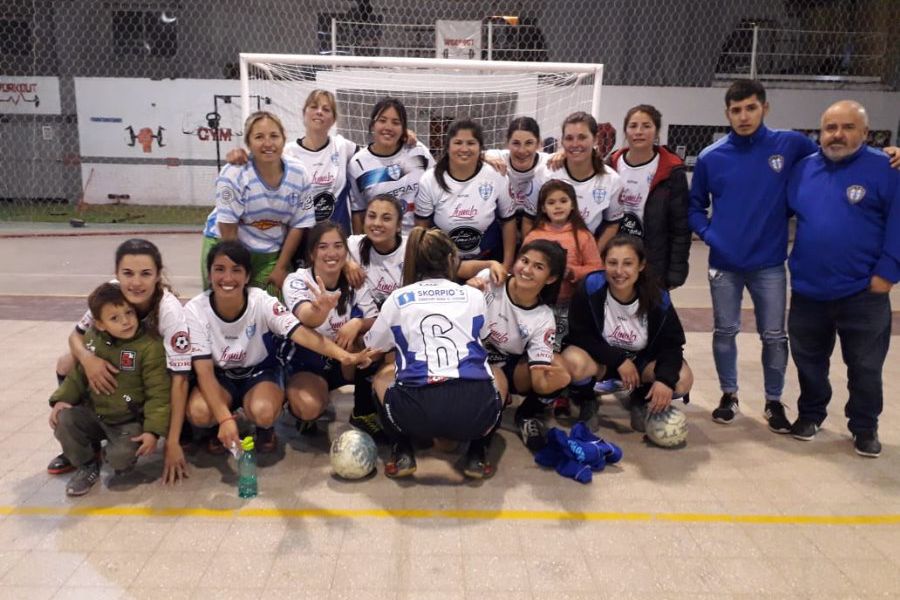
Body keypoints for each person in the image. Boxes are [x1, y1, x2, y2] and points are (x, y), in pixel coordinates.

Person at [687, 79, 816, 432]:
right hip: (724, 266)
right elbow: (695, 207)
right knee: (725, 331)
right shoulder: (712, 157)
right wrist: (712, 235)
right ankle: (729, 396)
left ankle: (774, 402)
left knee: (774, 335)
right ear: (727, 113)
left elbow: (836, 157)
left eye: (750, 108)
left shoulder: (790, 145)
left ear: (764, 108)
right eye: (736, 110)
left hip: (770, 264)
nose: (743, 116)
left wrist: (886, 155)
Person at [786, 100, 899, 458]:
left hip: (863, 291)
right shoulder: (802, 169)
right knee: (808, 360)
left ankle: (864, 427)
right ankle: (811, 413)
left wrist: (889, 272)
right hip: (808, 289)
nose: (837, 135)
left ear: (865, 133)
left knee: (865, 366)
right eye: (830, 128)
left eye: (847, 127)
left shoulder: (887, 169)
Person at [184, 240, 370, 454]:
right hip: (219, 376)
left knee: (263, 412)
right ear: (209, 275)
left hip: (259, 372)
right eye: (219, 269)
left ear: (247, 277)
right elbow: (204, 372)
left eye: (236, 270)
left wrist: (344, 356)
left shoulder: (261, 301)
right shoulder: (195, 310)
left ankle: (264, 427)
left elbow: (301, 333)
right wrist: (224, 418)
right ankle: (220, 422)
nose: (227, 278)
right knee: (199, 413)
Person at [49, 239, 192, 486]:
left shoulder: (169, 312)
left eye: (145, 274)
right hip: (119, 375)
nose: (136, 282)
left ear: (158, 275)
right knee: (66, 363)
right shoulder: (111, 294)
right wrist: (88, 359)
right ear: (117, 274)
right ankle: (83, 446)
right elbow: (76, 336)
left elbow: (179, 380)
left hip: (158, 378)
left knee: (129, 445)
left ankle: (176, 431)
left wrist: (171, 442)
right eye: (128, 273)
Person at [365, 227, 502, 479]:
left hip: (415, 413)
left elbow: (373, 345)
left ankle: (402, 450)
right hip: (473, 410)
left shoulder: (398, 298)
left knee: (382, 376)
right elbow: (482, 337)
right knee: (498, 376)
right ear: (451, 260)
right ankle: (477, 454)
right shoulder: (472, 295)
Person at [562, 236, 693, 443]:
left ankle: (640, 397)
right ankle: (587, 400)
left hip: (641, 364)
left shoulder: (657, 296)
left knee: (681, 379)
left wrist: (664, 380)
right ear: (603, 263)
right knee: (571, 360)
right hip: (602, 361)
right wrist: (618, 360)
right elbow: (580, 335)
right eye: (612, 263)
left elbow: (672, 344)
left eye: (628, 263)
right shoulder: (590, 286)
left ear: (641, 265)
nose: (619, 271)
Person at [49, 283, 171, 496]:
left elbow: (158, 394)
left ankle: (110, 453)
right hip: (94, 413)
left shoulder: (149, 347)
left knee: (120, 460)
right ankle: (86, 465)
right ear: (100, 324)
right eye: (115, 318)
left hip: (127, 421)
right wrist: (60, 399)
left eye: (129, 313)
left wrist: (153, 431)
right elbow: (78, 375)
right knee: (64, 419)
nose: (125, 321)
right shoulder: (93, 339)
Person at [466, 239, 571, 451]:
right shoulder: (491, 278)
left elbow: (540, 380)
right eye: (524, 260)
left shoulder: (543, 317)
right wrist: (468, 291)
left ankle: (527, 414)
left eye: (538, 267)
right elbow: (456, 276)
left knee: (555, 367)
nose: (527, 270)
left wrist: (557, 384)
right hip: (469, 357)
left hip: (507, 368)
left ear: (551, 278)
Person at [281, 222, 378, 435]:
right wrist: (321, 310)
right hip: (308, 362)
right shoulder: (297, 280)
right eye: (323, 247)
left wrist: (359, 323)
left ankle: (364, 411)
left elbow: (376, 319)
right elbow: (305, 317)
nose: (331, 253)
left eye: (337, 246)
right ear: (312, 253)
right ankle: (300, 401)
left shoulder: (353, 281)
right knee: (309, 407)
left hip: (343, 361)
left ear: (346, 252)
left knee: (369, 343)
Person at [201, 110, 314, 293]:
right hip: (225, 243)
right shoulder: (234, 174)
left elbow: (299, 225)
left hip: (269, 251)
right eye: (259, 137)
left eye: (274, 136)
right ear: (248, 143)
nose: (268, 143)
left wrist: (280, 267)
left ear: (284, 140)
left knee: (276, 308)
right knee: (227, 303)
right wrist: (237, 271)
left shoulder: (300, 174)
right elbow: (228, 229)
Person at [226, 90, 358, 237]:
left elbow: (371, 155)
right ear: (304, 113)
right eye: (314, 107)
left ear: (333, 120)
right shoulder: (286, 152)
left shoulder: (343, 146)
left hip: (336, 237)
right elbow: (257, 158)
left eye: (326, 109)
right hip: (299, 235)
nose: (319, 112)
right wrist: (240, 154)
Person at [415, 119, 517, 281]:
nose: (464, 149)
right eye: (458, 143)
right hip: (443, 267)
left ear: (480, 148)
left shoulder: (497, 175)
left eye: (471, 143)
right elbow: (421, 230)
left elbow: (509, 222)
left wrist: (506, 265)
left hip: (489, 264)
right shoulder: (429, 180)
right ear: (447, 147)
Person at [608, 104, 691, 289]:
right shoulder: (609, 166)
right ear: (625, 130)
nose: (639, 132)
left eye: (646, 126)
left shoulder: (672, 171)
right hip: (615, 259)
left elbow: (680, 227)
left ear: (657, 131)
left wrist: (675, 272)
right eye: (633, 126)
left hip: (654, 262)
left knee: (651, 314)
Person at [524, 111, 624, 253]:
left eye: (582, 137)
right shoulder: (545, 172)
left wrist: (593, 255)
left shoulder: (612, 180)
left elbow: (612, 224)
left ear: (595, 139)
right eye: (569, 138)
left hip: (585, 257)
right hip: (545, 258)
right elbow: (528, 219)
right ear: (562, 141)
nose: (575, 144)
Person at [522, 180, 603, 345]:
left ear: (573, 204)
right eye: (551, 203)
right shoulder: (533, 236)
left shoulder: (583, 236)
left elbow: (597, 270)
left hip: (572, 305)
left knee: (565, 345)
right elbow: (521, 267)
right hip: (537, 303)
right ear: (543, 208)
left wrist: (573, 272)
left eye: (563, 201)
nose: (558, 206)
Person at [348, 97, 434, 234]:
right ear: (372, 125)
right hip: (380, 244)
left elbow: (437, 189)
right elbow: (358, 211)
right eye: (382, 121)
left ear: (403, 128)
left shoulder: (418, 151)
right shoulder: (358, 164)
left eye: (396, 122)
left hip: (417, 242)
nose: (388, 127)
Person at [484, 117, 548, 219]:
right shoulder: (497, 158)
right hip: (503, 222)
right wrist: (482, 157)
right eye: (516, 143)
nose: (522, 151)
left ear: (538, 143)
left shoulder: (548, 163)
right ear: (507, 143)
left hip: (537, 222)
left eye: (529, 143)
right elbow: (470, 154)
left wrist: (563, 154)